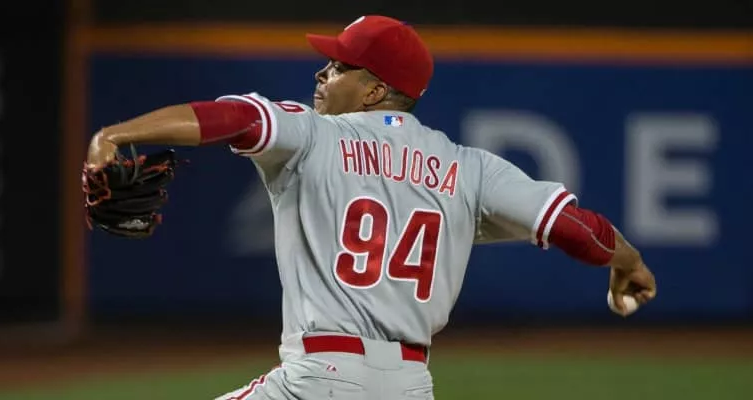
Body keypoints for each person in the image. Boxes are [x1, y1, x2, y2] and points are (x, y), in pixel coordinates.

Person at [85, 15, 656, 400]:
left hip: (320, 379)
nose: (322, 72)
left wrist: (114, 135)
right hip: (410, 386)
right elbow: (576, 228)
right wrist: (627, 263)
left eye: (338, 66)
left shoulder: (314, 135)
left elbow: (232, 118)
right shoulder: (471, 168)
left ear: (375, 90)